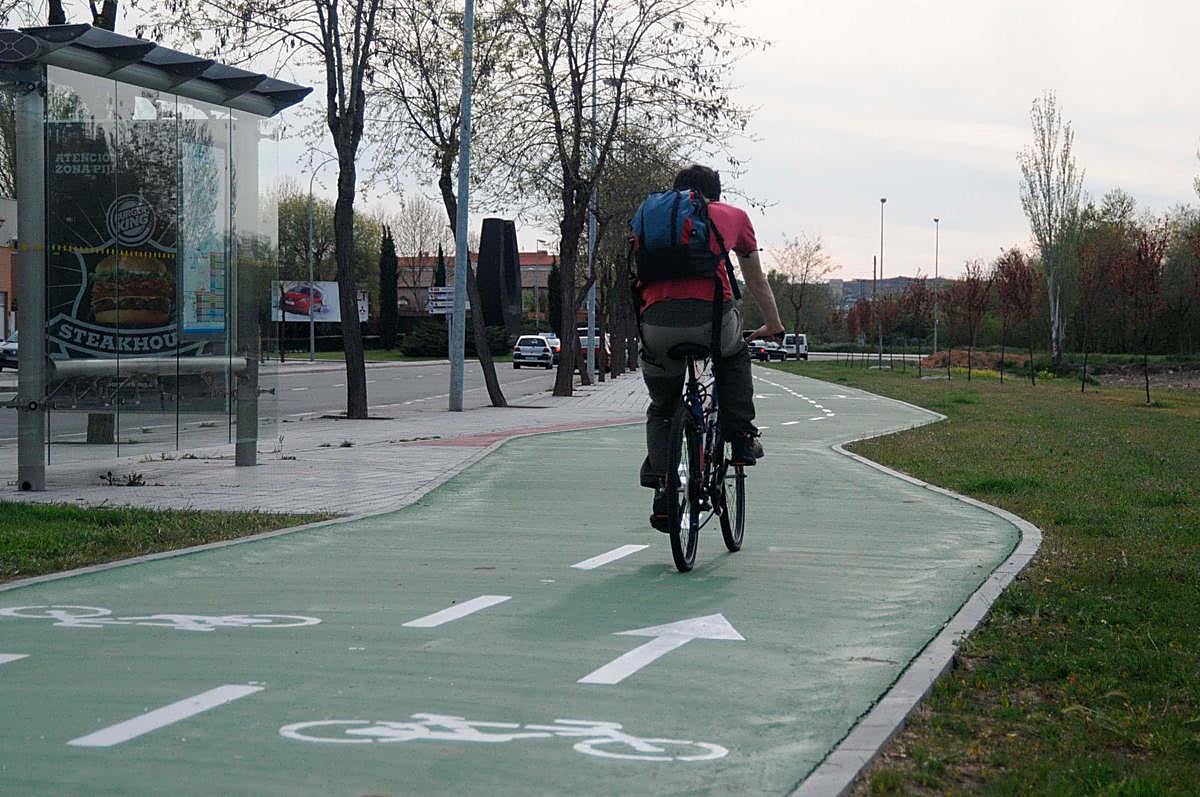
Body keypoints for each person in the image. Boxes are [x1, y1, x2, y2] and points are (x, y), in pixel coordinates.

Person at [637, 164, 785, 531]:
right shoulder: (732, 217)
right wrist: (774, 325)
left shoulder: (649, 218)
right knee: (734, 356)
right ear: (715, 194)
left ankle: (662, 485)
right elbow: (756, 281)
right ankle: (742, 436)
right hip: (712, 322)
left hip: (655, 325)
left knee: (662, 407)